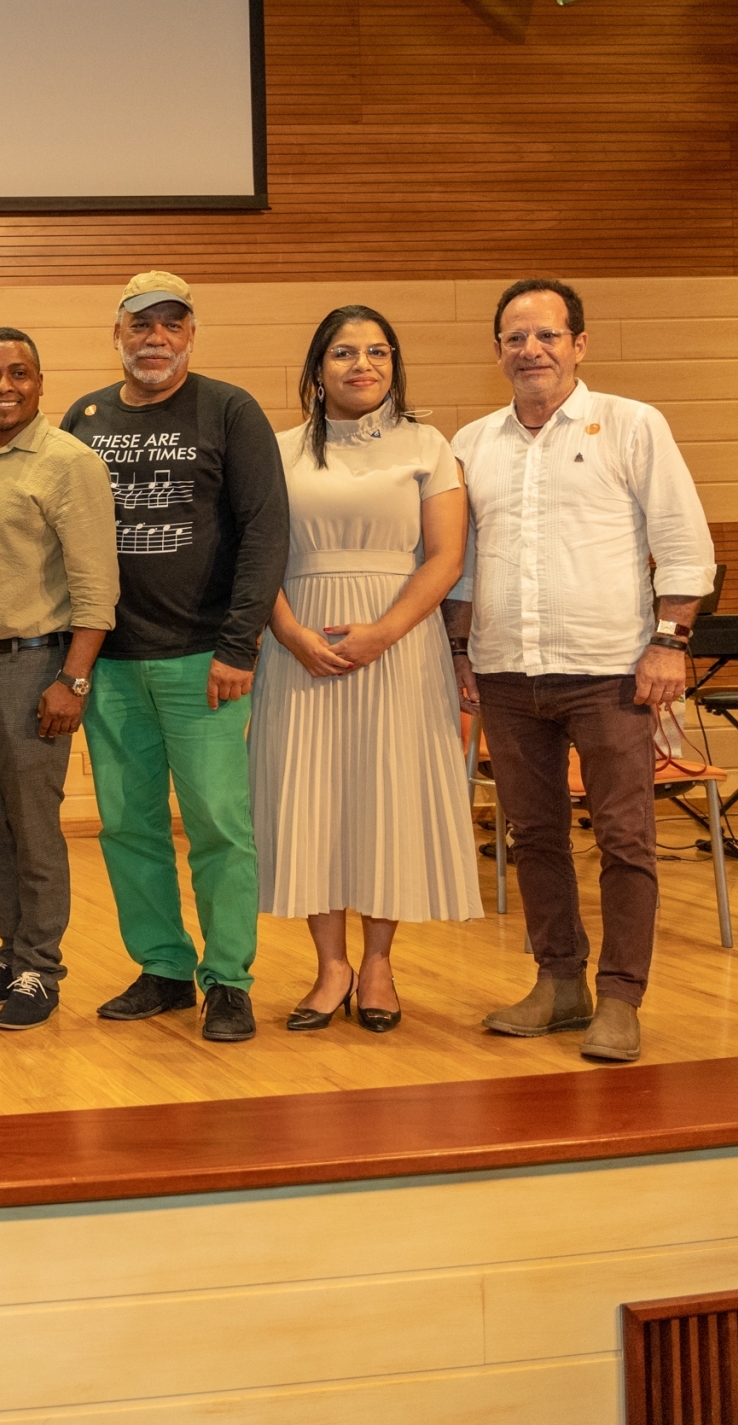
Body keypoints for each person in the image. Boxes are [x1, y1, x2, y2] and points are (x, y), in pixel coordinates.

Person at [448, 279, 714, 1065]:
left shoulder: (632, 424)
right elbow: (463, 564)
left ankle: (622, 996)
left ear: (579, 344)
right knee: (533, 835)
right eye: (515, 337)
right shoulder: (472, 443)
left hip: (610, 672)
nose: (531, 349)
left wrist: (670, 641)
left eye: (547, 335)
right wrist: (459, 651)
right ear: (497, 350)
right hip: (505, 671)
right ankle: (559, 981)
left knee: (626, 837)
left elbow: (683, 541)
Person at [64, 272, 288, 1045]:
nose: (155, 337)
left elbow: (265, 531)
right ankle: (162, 967)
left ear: (191, 334)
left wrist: (239, 642)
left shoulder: (230, 411)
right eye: (141, 323)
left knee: (219, 825)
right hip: (111, 663)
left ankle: (227, 980)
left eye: (171, 323)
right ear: (117, 333)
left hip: (205, 661)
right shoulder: (85, 417)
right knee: (128, 825)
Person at [253, 307, 478, 1035]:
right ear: (318, 370)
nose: (363, 365)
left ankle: (378, 963)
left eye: (378, 352)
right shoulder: (278, 450)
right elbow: (255, 555)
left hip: (400, 643)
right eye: (345, 353)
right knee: (314, 799)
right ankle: (331, 967)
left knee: (388, 798)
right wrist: (289, 632)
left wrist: (382, 633)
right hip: (301, 644)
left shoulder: (429, 445)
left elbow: (446, 557)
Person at [0, 328, 118, 1033]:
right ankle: (11, 955)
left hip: (36, 668)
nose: (4, 386)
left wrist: (73, 680)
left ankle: (41, 966)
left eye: (18, 373)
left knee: (34, 828)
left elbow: (97, 587)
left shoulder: (70, 462)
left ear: (40, 383)